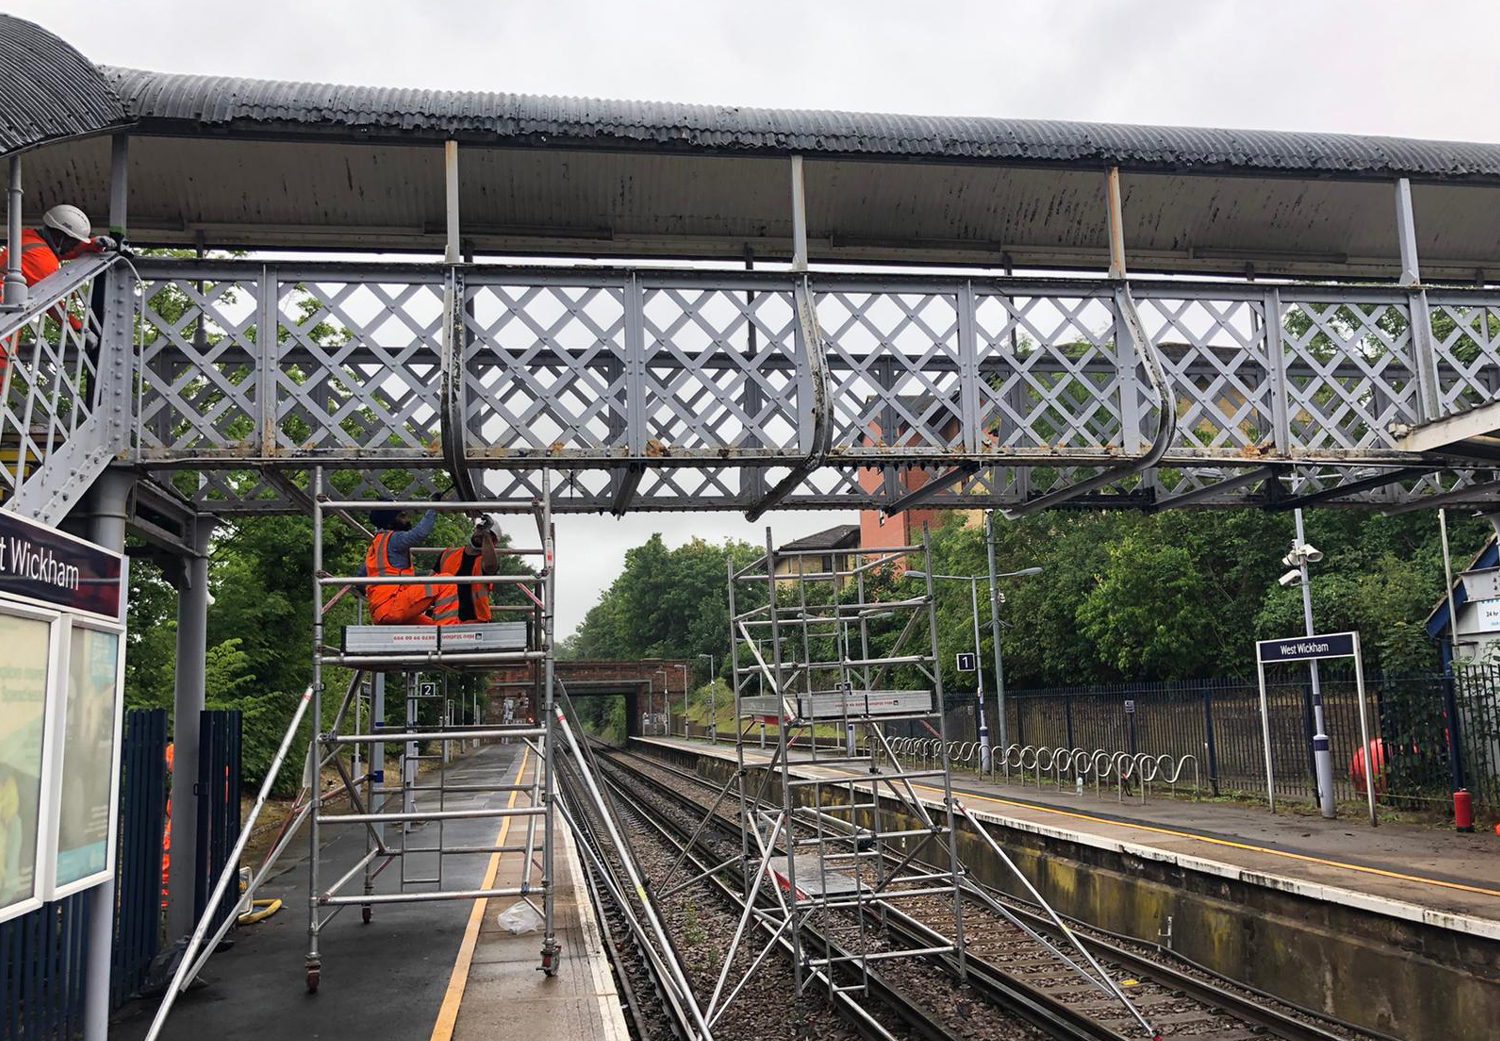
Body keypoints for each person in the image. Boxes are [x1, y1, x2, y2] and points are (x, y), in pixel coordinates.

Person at [362, 506, 439, 624]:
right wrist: (433, 507)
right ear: (390, 522)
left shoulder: (375, 546)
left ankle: (443, 631)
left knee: (432, 627)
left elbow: (360, 577)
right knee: (446, 581)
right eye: (402, 516)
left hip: (381, 612)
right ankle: (448, 631)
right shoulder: (394, 539)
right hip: (394, 604)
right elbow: (420, 533)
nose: (407, 520)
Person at [429, 516, 500, 624]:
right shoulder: (448, 554)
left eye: (488, 534)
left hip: (473, 622)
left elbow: (490, 567)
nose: (481, 534)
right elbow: (428, 582)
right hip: (442, 619)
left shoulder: (486, 561)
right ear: (475, 529)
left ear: (492, 541)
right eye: (480, 528)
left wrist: (486, 534)